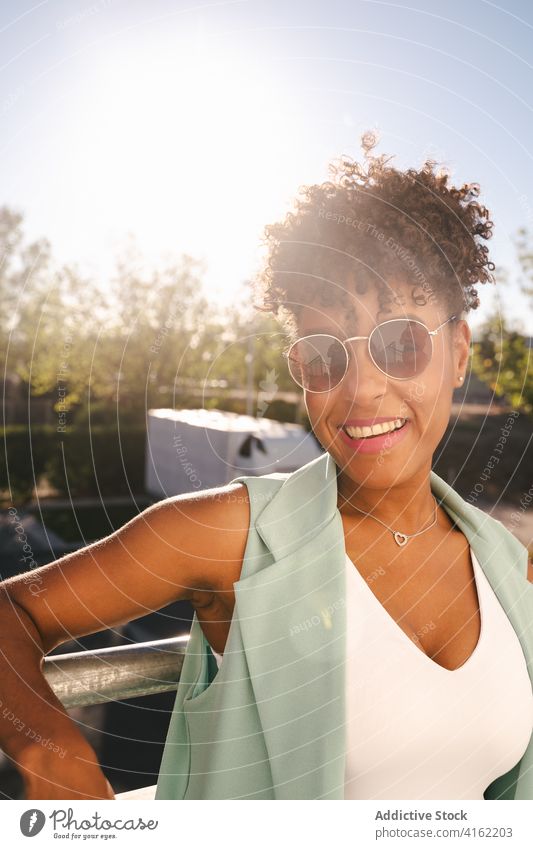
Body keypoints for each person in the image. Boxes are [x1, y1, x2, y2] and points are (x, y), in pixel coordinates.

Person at [1, 133, 532, 800]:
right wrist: (50, 748)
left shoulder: (507, 571)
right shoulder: (229, 534)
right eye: (322, 356)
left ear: (458, 353)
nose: (360, 389)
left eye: (398, 342)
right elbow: (11, 611)